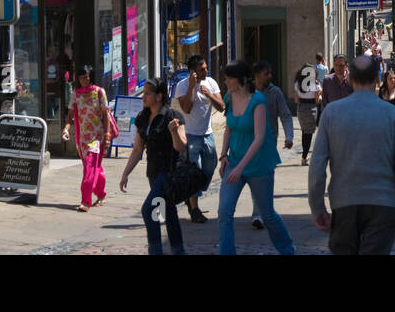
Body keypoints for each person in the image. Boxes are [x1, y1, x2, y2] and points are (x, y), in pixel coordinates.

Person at [309, 55, 395, 254]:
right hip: (383, 204)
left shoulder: (331, 113)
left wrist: (317, 207)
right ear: (377, 79)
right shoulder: (392, 115)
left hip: (344, 203)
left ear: (351, 78)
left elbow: (317, 165)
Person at [217, 62, 295, 255]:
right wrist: (223, 155)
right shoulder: (229, 97)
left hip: (259, 164)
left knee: (267, 214)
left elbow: (259, 137)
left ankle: (287, 250)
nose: (225, 81)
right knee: (224, 212)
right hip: (234, 161)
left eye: (228, 78)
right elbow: (229, 127)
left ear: (240, 80)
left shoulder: (258, 100)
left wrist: (240, 168)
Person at [119, 77, 188, 255]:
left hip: (170, 171)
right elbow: (137, 149)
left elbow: (181, 147)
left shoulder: (172, 116)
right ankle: (178, 250)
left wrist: (174, 132)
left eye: (148, 94)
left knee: (149, 209)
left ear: (159, 96)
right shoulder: (143, 117)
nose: (143, 97)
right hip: (153, 172)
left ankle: (155, 250)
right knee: (168, 211)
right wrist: (126, 173)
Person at [174, 54, 224, 223]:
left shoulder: (211, 83)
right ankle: (194, 208)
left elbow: (222, 106)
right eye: (202, 69)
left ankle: (193, 191)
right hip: (191, 135)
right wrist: (191, 88)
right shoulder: (182, 86)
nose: (206, 71)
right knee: (195, 171)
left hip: (208, 134)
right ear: (192, 72)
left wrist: (209, 94)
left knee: (210, 166)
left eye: (205, 68)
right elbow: (186, 109)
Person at [251, 60, 294, 230]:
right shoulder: (248, 92)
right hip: (250, 141)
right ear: (257, 76)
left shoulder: (275, 93)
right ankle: (258, 213)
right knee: (256, 176)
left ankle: (262, 212)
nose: (270, 76)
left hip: (269, 141)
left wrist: (289, 136)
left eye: (271, 73)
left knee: (265, 176)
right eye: (266, 73)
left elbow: (285, 115)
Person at [62, 65, 111, 211]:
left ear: (91, 77)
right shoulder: (76, 94)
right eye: (81, 77)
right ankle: (101, 194)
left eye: (86, 77)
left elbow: (106, 115)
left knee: (90, 168)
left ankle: (85, 201)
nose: (84, 80)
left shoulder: (99, 92)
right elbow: (70, 116)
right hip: (82, 138)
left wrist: (107, 136)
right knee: (95, 168)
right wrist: (65, 129)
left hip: (97, 137)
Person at [293, 58, 323, 166]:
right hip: (311, 108)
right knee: (309, 134)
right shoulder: (315, 84)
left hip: (301, 109)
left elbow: (296, 100)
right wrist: (319, 95)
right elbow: (317, 100)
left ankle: (304, 156)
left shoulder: (297, 83)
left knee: (304, 132)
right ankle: (304, 157)